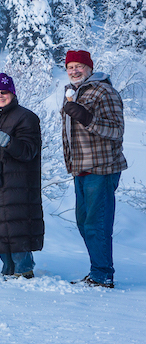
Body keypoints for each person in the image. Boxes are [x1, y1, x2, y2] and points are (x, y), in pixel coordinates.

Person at [61, 50, 127, 288]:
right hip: (80, 169)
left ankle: (102, 274)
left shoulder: (103, 91)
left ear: (89, 68)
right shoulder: (72, 93)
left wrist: (87, 118)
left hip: (101, 168)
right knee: (83, 222)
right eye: (70, 67)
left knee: (97, 222)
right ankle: (98, 270)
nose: (74, 71)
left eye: (79, 66)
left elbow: (116, 130)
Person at [0, 73, 43, 278]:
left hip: (18, 185)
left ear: (12, 93)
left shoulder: (26, 117)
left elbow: (29, 150)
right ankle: (8, 268)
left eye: (4, 92)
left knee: (16, 227)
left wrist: (6, 140)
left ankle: (23, 269)